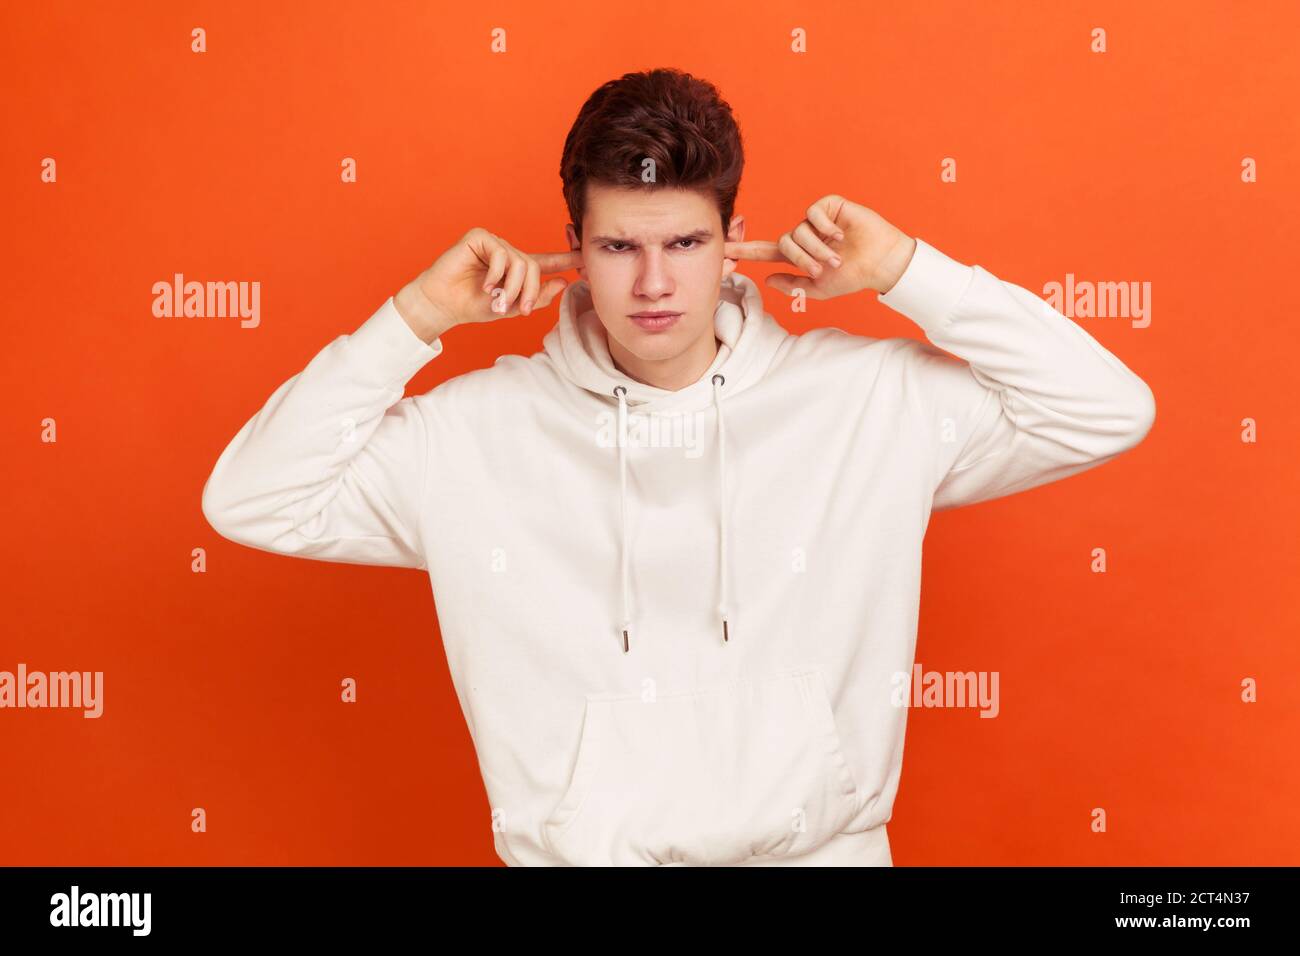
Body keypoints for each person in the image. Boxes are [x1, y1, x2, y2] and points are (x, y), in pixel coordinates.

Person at [201, 68, 1155, 867]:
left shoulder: (866, 403)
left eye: (685, 244)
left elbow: (1107, 409)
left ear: (733, 238)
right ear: (572, 247)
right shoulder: (473, 436)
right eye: (618, 246)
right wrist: (414, 317)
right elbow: (252, 497)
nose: (653, 285)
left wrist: (907, 269)